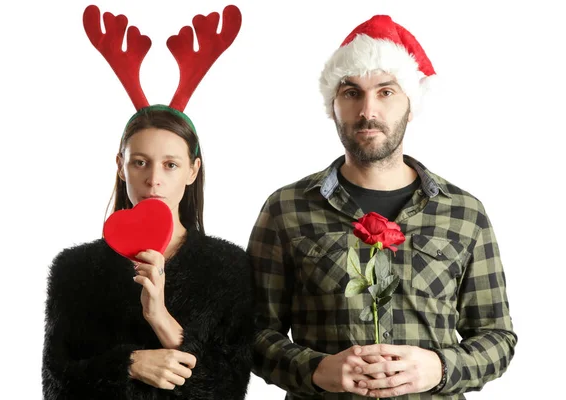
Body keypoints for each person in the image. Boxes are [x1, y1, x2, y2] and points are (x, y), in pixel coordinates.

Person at [248, 14, 517, 399]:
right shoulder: (285, 209)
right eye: (351, 92)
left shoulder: (464, 213)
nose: (367, 111)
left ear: (411, 104)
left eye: (386, 92)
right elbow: (252, 333)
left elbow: (497, 336)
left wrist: (439, 369)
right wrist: (316, 369)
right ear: (334, 105)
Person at [42, 5, 254, 400]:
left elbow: (230, 387)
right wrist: (130, 364)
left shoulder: (228, 268)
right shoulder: (73, 270)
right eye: (139, 162)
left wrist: (161, 318)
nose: (153, 178)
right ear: (121, 167)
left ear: (192, 171)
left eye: (170, 164)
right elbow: (56, 386)